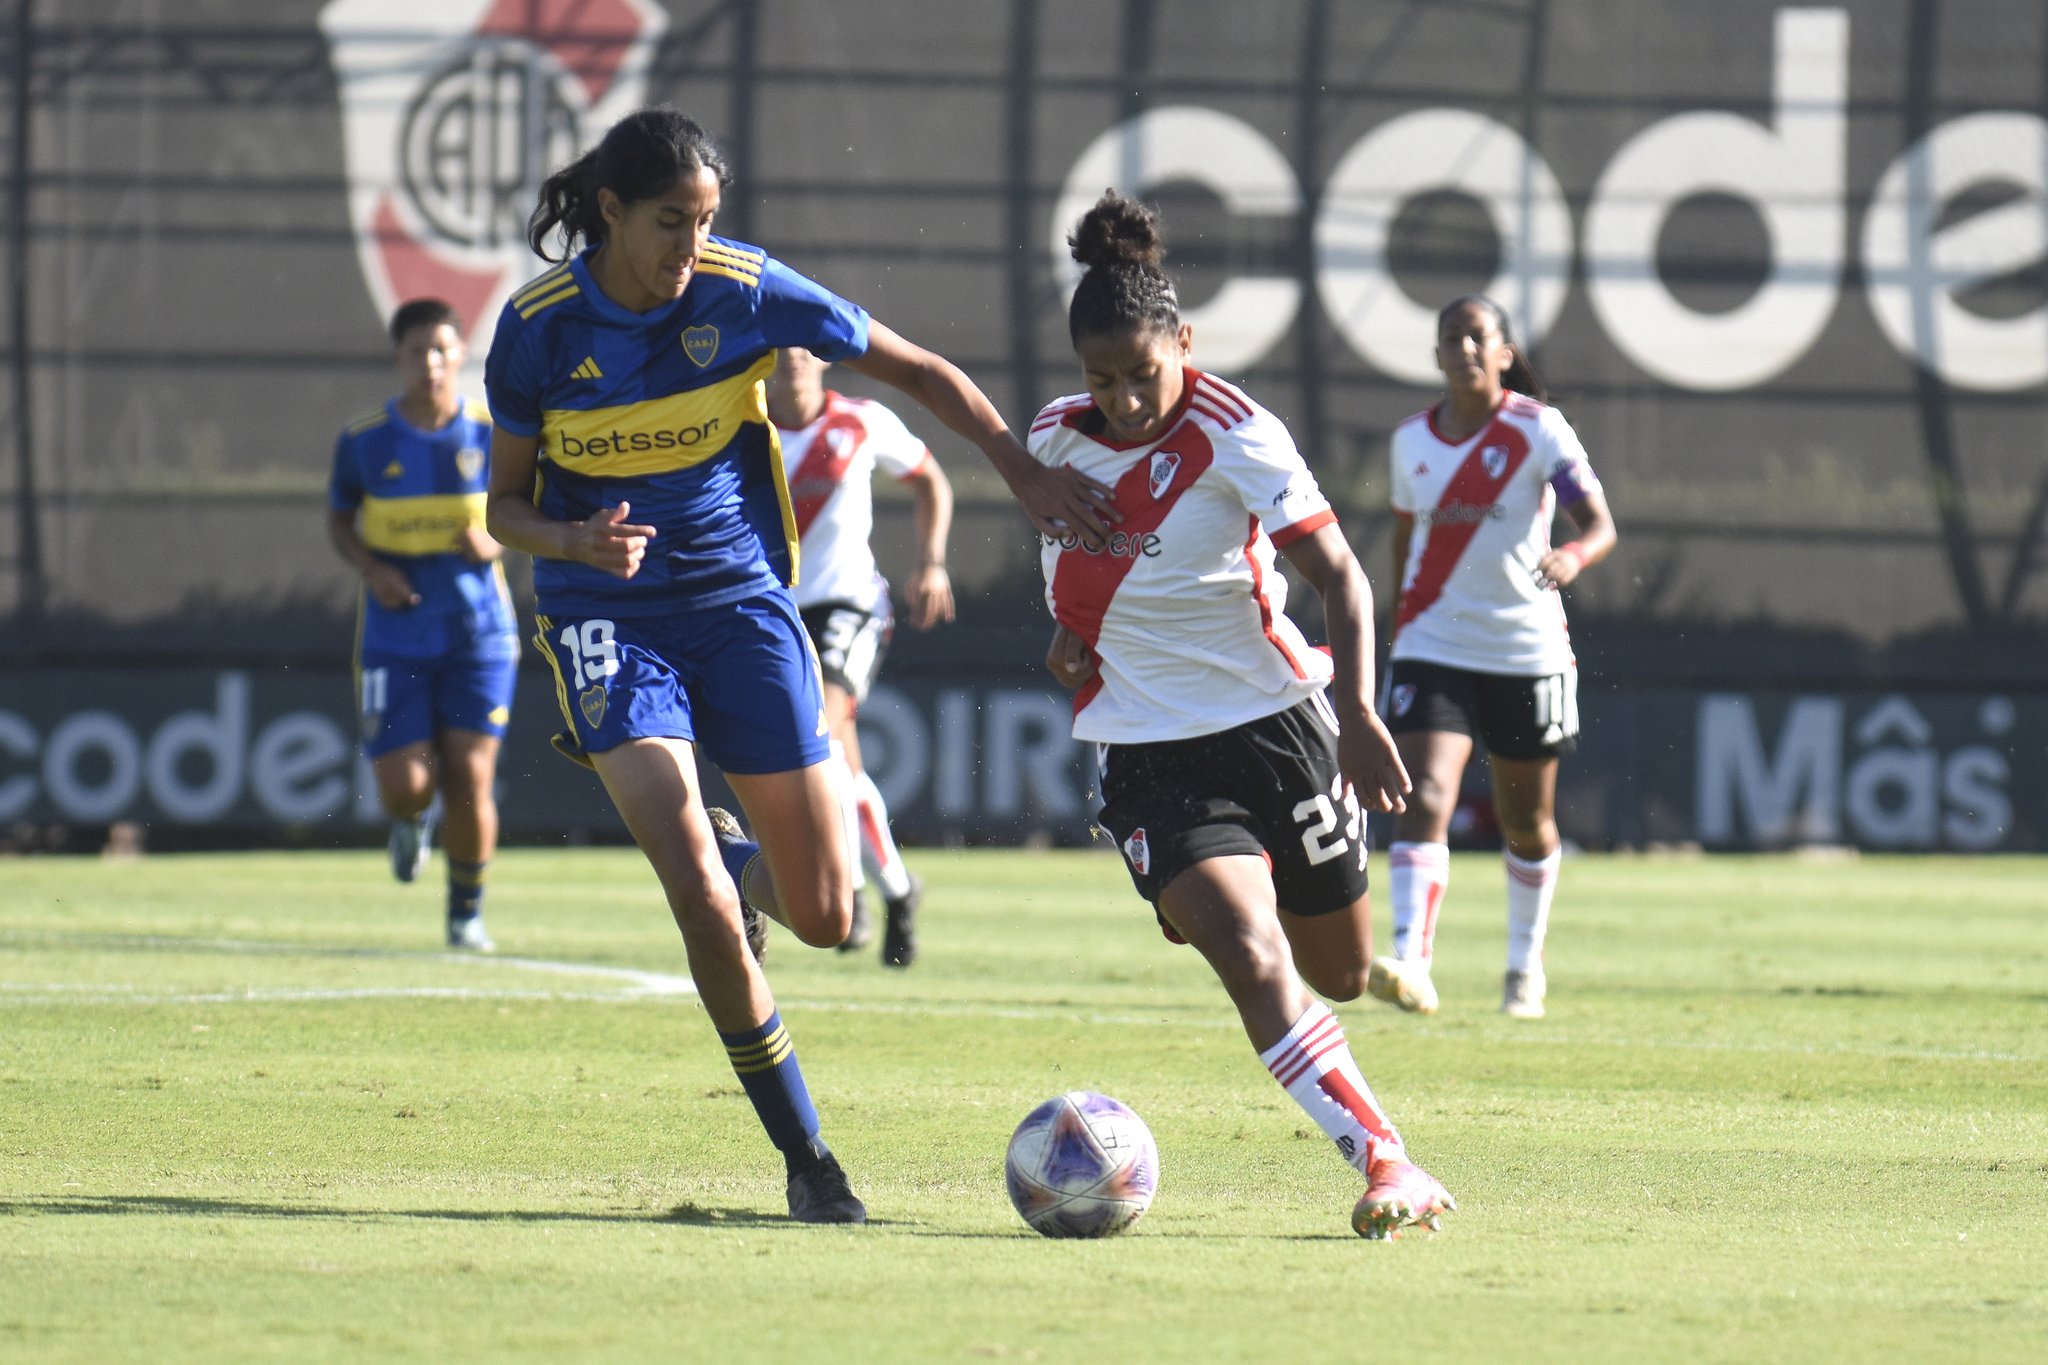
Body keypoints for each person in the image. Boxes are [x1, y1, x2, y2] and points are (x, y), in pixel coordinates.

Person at [481, 108, 1111, 1225]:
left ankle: (735, 856)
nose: (693, 245)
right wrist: (573, 542)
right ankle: (810, 1162)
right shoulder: (535, 330)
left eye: (708, 219)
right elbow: (503, 508)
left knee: (827, 916)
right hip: (606, 616)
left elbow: (914, 368)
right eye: (672, 222)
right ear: (612, 212)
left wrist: (1015, 470)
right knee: (699, 903)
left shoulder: (742, 287)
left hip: (739, 608)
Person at [1035, 190, 1455, 1240]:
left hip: (1281, 726)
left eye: (1144, 375)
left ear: (1184, 343)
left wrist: (1357, 712)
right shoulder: (1051, 441)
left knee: (1339, 973)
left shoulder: (1237, 434)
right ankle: (1385, 1160)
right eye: (1102, 381)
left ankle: (1210, 892)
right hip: (1146, 748)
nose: (1126, 402)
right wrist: (1072, 635)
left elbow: (1342, 580)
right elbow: (1082, 569)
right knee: (1252, 956)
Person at [1365, 295, 1618, 1021]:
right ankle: (1412, 960)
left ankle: (1523, 966)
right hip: (1433, 642)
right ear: (1437, 355)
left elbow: (1598, 525)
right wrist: (1399, 625)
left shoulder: (1539, 429)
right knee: (1426, 796)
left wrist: (1572, 555)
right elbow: (1405, 541)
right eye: (1453, 339)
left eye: (1479, 338)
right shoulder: (1411, 440)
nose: (1466, 349)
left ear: (1505, 353)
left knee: (1524, 819)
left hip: (1526, 648)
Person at [326, 298, 517, 952]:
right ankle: (410, 822)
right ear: (398, 357)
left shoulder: (494, 434)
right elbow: (339, 521)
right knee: (406, 787)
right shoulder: (365, 440)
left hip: (478, 632)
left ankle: (465, 914)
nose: (430, 364)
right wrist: (373, 569)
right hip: (395, 631)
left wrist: (495, 542)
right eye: (416, 351)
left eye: (441, 349)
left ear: (461, 354)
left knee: (470, 778)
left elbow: (528, 510)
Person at [765, 346, 953, 967]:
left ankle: (848, 888)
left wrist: (930, 563)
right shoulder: (746, 427)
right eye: (778, 350)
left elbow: (931, 480)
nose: (791, 361)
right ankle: (898, 888)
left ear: (822, 359)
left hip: (850, 608)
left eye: (802, 349)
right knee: (835, 761)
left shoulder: (861, 422)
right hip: (776, 615)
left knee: (824, 722)